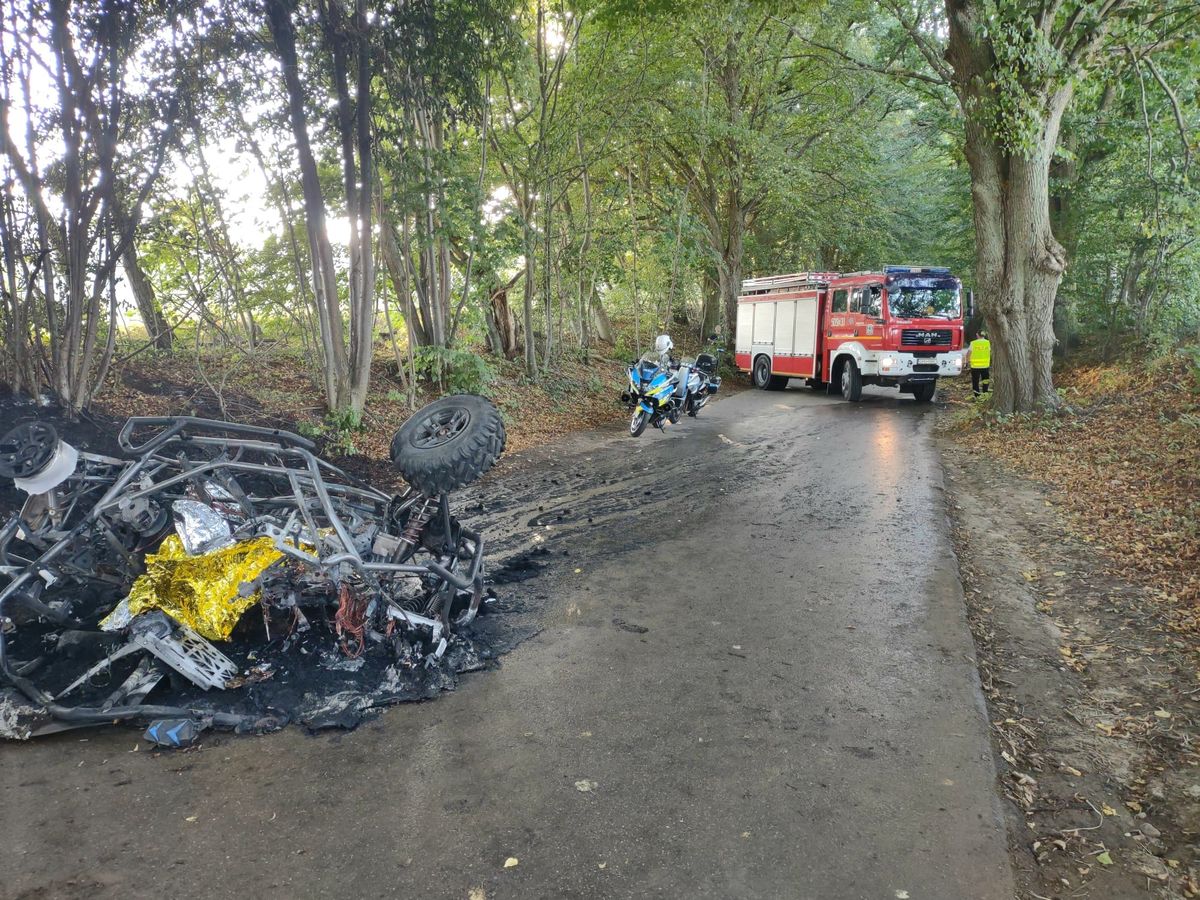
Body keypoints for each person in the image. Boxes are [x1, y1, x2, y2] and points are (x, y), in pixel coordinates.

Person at [969, 329, 991, 396]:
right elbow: (990, 352)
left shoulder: (973, 343)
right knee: (986, 381)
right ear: (984, 335)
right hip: (985, 366)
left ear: (977, 334)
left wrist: (966, 362)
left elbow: (968, 353)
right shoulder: (988, 343)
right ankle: (985, 394)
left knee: (975, 382)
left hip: (975, 367)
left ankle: (977, 396)